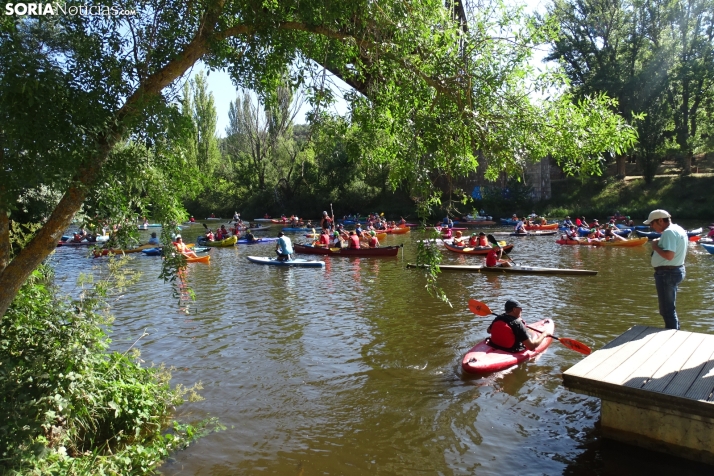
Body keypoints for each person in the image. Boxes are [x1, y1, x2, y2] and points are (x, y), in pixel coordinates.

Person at [645, 209, 688, 329]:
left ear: (660, 220)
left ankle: (673, 335)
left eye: (652, 223)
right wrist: (660, 240)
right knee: (669, 308)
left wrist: (654, 246)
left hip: (667, 273)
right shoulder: (678, 229)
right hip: (676, 270)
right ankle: (675, 331)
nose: (651, 227)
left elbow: (669, 255)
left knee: (666, 310)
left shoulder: (669, 232)